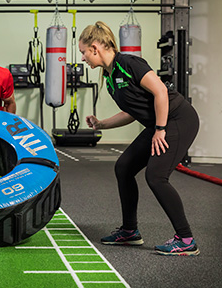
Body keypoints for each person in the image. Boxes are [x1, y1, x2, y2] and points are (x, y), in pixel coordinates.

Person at [80, 21, 200, 256]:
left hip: (177, 119)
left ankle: (186, 239)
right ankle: (129, 231)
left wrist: (160, 128)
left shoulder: (128, 63)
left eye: (83, 52)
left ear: (95, 48)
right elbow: (131, 112)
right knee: (124, 167)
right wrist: (102, 123)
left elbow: (160, 91)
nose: (83, 58)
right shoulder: (110, 76)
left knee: (156, 176)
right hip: (161, 123)